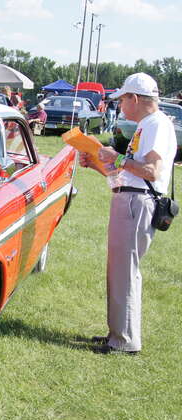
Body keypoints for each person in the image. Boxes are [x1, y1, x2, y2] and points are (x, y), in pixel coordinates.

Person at [78, 73, 176, 355]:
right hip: (132, 200)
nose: (120, 104)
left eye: (122, 99)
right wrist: (99, 163)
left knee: (125, 271)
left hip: (137, 204)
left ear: (135, 98)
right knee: (120, 271)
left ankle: (124, 341)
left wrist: (114, 156)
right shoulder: (149, 124)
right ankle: (117, 334)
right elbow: (129, 177)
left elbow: (151, 172)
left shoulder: (155, 124)